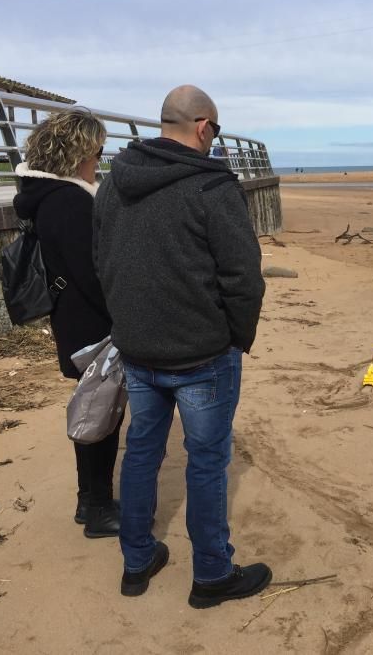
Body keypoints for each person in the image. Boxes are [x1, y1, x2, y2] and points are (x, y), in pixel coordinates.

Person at [93, 85, 269, 606]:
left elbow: (102, 262)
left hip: (141, 348)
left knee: (143, 452)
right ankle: (212, 574)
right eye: (215, 130)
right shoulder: (212, 187)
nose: (215, 138)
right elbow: (244, 279)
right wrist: (235, 336)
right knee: (207, 461)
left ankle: (137, 560)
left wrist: (126, 322)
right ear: (202, 126)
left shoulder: (113, 183)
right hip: (200, 355)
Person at [12, 108, 122, 538]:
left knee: (91, 407)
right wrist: (124, 315)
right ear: (78, 152)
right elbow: (91, 274)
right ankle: (97, 508)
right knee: (101, 413)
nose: (100, 159)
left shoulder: (44, 194)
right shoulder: (70, 201)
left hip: (71, 317)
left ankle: (88, 501)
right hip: (88, 321)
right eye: (98, 150)